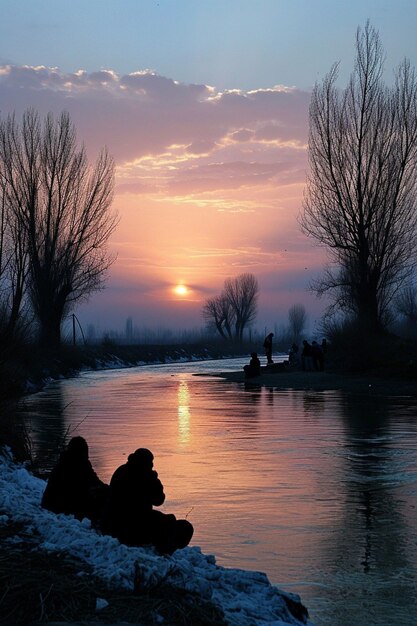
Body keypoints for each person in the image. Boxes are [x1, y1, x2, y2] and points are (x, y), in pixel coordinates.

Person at [100, 448, 193, 555]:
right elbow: (159, 500)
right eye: (150, 463)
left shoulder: (121, 470)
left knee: (164, 520)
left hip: (112, 523)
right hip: (130, 526)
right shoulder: (144, 477)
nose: (152, 466)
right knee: (177, 525)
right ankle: (166, 548)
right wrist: (154, 479)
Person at [41, 436, 109, 524]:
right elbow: (90, 483)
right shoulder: (77, 464)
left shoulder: (65, 461)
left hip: (52, 503)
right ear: (82, 452)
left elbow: (93, 481)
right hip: (59, 504)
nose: (88, 456)